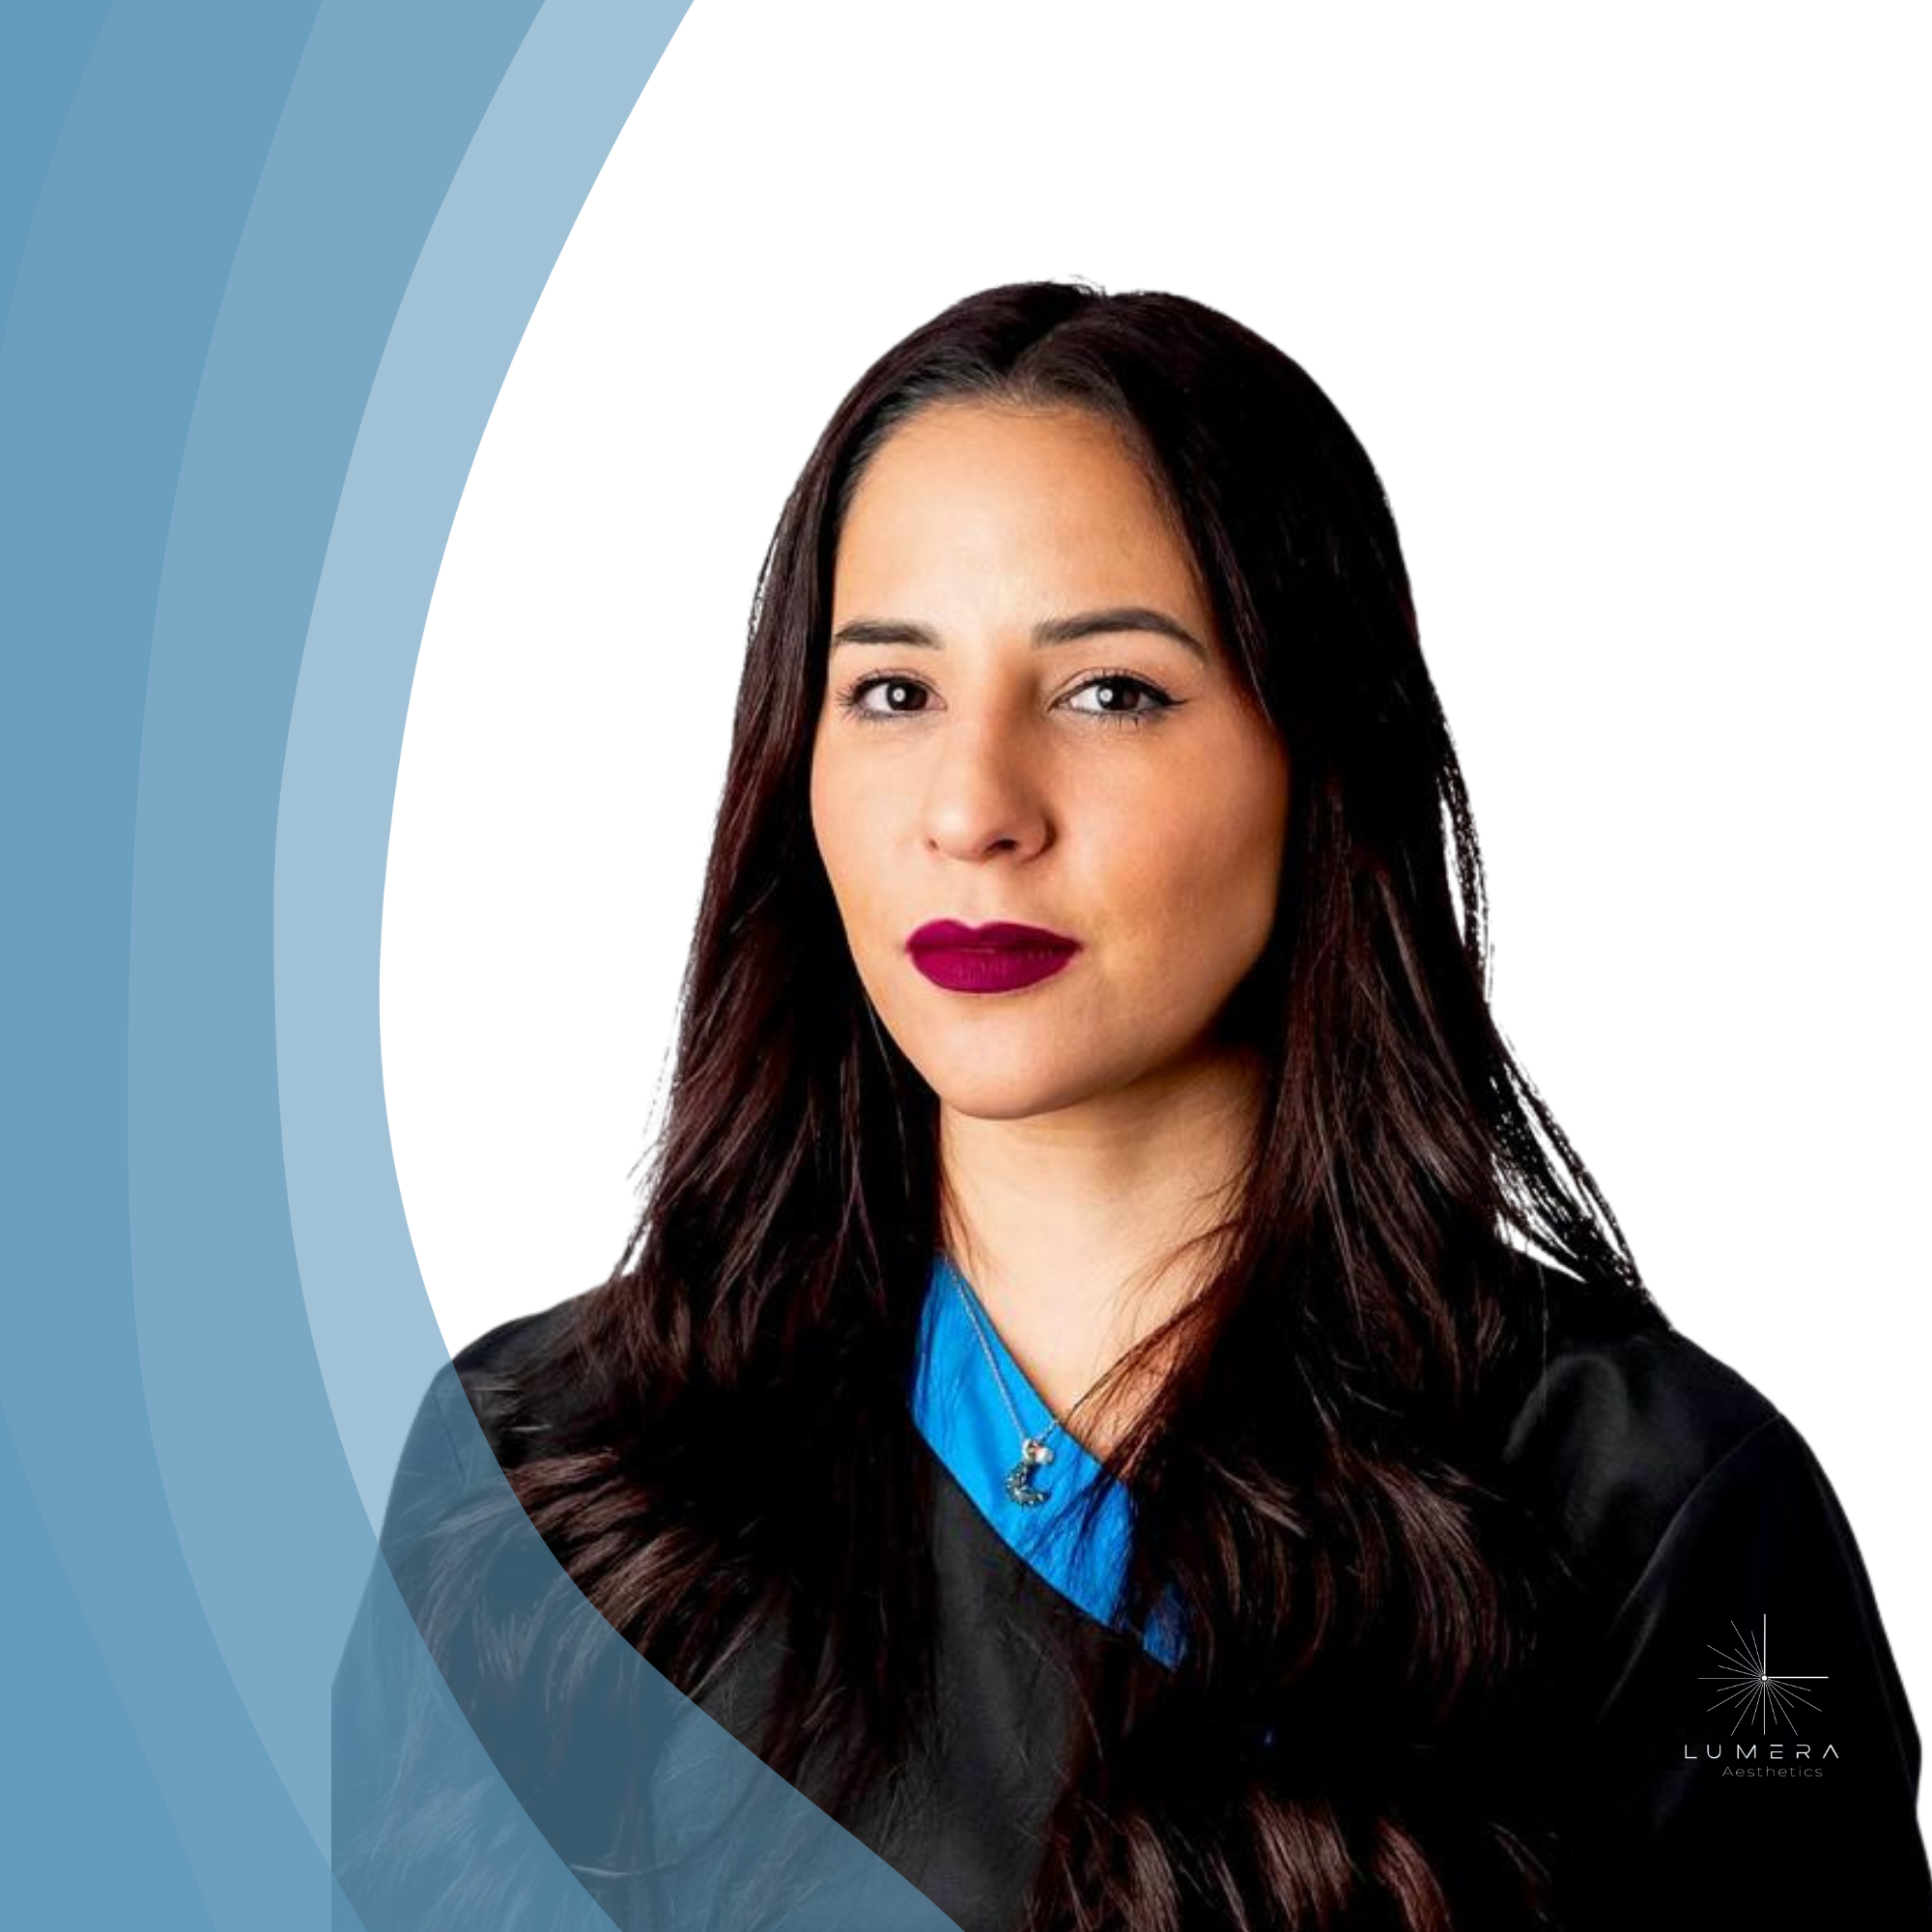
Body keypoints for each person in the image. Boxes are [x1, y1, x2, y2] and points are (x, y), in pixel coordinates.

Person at [333, 281, 1932, 1931]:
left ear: (1320, 760)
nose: (974, 808)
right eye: (893, 693)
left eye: (1110, 692)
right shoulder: (539, 1482)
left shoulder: (1659, 1518)